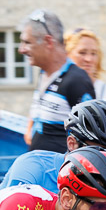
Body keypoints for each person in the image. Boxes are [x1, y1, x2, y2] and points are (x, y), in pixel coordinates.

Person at [19, 10, 95, 152]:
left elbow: (90, 139)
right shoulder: (43, 73)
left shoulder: (76, 80)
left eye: (27, 42)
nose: (21, 50)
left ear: (48, 41)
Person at [65, 27, 106, 110]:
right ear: (67, 54)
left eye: (93, 53)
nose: (89, 59)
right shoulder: (58, 88)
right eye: (82, 53)